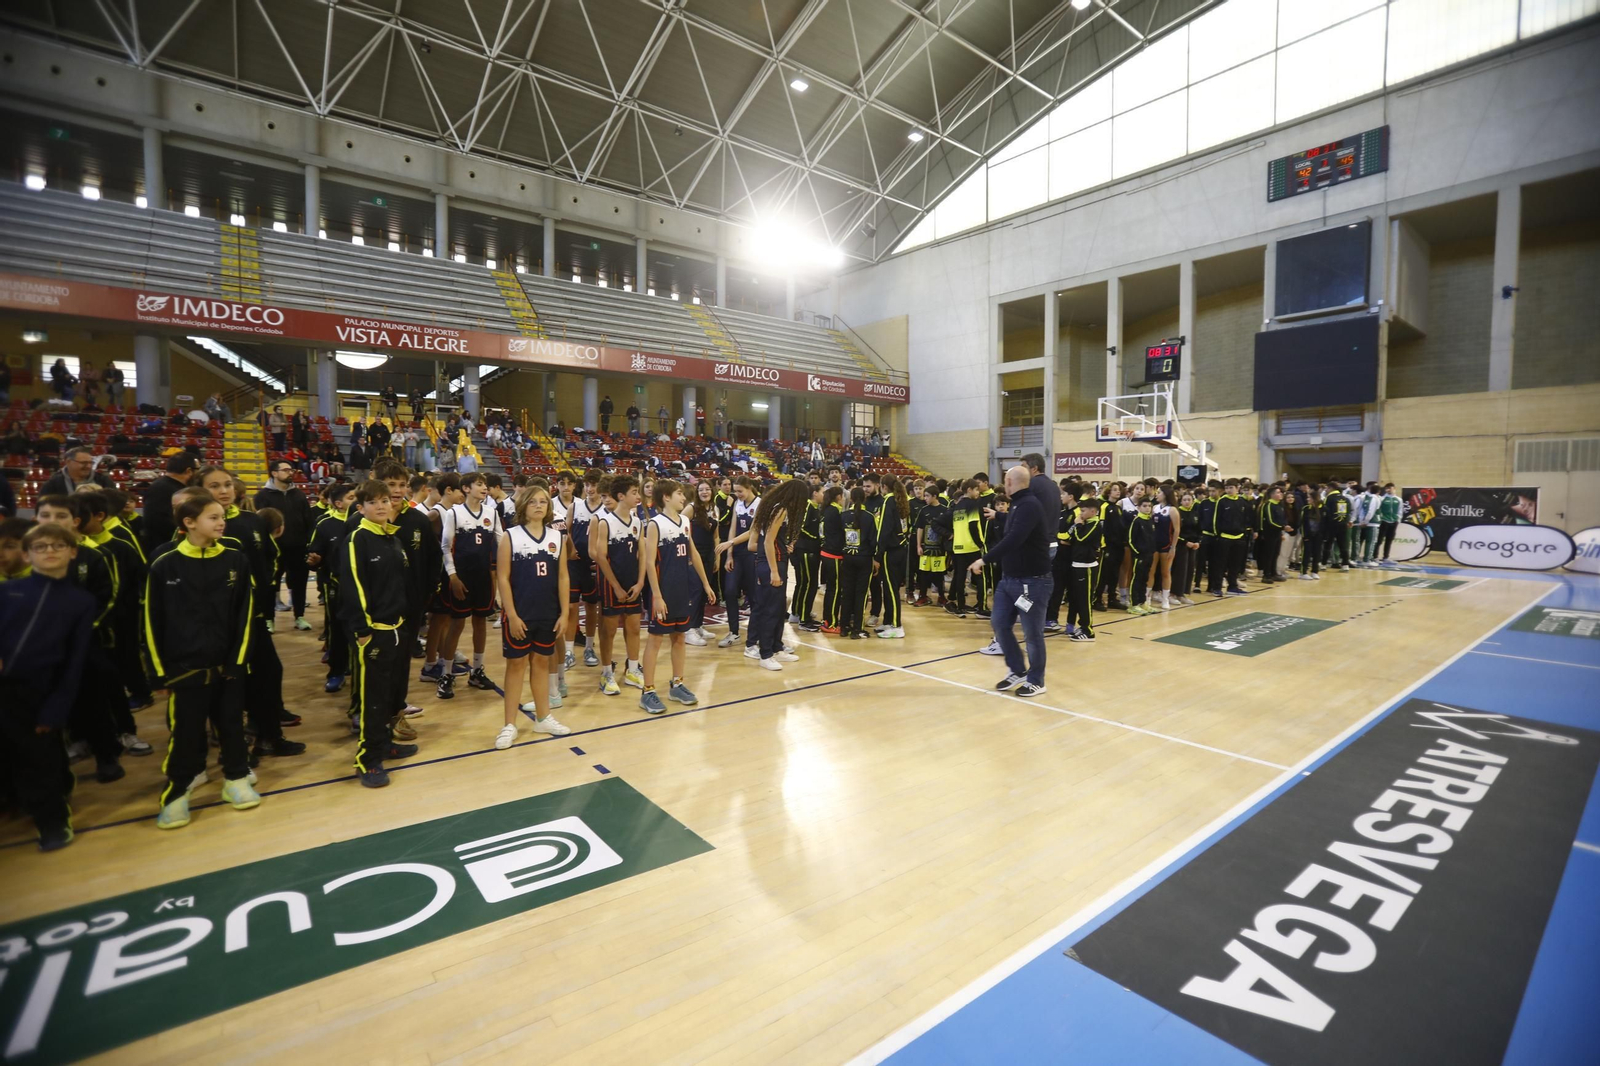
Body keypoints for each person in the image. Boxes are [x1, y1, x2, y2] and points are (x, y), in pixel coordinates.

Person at [146, 492, 258, 829]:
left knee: (232, 726)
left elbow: (245, 614)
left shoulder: (236, 560)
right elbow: (151, 621)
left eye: (222, 516)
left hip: (227, 667)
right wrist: (158, 673)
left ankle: (236, 778)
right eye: (213, 517)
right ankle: (177, 793)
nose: (221, 522)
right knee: (186, 734)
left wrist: (238, 661)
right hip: (184, 670)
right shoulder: (164, 564)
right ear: (189, 523)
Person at [0, 522, 96, 850]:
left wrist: (57, 706)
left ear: (73, 552)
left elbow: (75, 661)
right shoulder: (8, 592)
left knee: (40, 758)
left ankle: (53, 821)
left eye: (57, 545)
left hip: (41, 691)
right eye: (40, 547)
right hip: (4, 691)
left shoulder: (80, 601)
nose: (49, 551)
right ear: (27, 555)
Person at [338, 479, 417, 787]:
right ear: (361, 508)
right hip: (374, 632)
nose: (382, 505)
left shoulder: (391, 538)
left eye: (385, 500)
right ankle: (367, 759)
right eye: (373, 502)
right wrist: (363, 630)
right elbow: (353, 586)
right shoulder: (357, 539)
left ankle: (384, 743)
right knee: (372, 699)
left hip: (397, 628)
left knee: (389, 694)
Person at [494, 482, 572, 746]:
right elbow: (503, 578)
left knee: (541, 663)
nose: (539, 506)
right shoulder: (510, 536)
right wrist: (512, 615)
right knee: (516, 665)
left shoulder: (557, 537)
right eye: (533, 501)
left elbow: (563, 577)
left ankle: (543, 717)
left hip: (548, 612)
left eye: (543, 501)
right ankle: (509, 724)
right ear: (523, 506)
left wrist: (564, 613)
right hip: (520, 613)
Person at [974, 466, 1052, 698]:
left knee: (1032, 634)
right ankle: (1018, 670)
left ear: (1010, 482)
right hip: (1009, 580)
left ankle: (1036, 680)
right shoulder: (1018, 504)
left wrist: (984, 559)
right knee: (999, 623)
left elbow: (1016, 537)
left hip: (1032, 582)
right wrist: (998, 515)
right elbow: (1017, 522)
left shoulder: (1029, 505)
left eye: (1006, 481)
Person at [638, 479, 715, 711]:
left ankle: (677, 684)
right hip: (663, 591)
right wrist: (657, 596)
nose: (684, 498)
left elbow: (694, 554)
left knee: (679, 637)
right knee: (655, 640)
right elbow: (649, 562)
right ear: (666, 497)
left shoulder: (685, 521)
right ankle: (647, 691)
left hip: (682, 589)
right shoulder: (655, 524)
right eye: (679, 493)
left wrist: (706, 584)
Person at [438, 472, 502, 698]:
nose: (484, 488)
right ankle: (445, 673)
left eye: (485, 484)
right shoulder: (454, 513)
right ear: (466, 488)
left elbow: (502, 542)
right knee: (457, 624)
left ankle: (477, 671)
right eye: (479, 484)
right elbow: (445, 547)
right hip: (461, 578)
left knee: (480, 623)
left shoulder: (492, 513)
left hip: (484, 578)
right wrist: (453, 576)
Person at [592, 475, 644, 695]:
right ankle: (606, 673)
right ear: (621, 496)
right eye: (634, 492)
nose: (638, 496)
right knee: (609, 630)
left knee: (634, 628)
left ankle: (632, 669)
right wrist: (615, 586)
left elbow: (643, 554)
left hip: (632, 582)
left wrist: (640, 582)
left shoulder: (637, 522)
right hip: (611, 583)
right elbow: (600, 556)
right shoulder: (605, 522)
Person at [306, 481, 357, 692]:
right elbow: (313, 553)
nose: (356, 501)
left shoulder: (364, 522)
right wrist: (315, 560)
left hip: (362, 587)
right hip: (335, 585)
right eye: (351, 498)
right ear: (338, 503)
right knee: (337, 631)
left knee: (359, 631)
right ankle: (336, 672)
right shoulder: (324, 524)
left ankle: (356, 669)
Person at [256, 460, 316, 628]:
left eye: (291, 470)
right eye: (286, 470)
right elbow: (260, 522)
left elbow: (308, 520)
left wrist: (309, 542)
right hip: (273, 548)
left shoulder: (299, 495)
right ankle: (269, 619)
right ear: (274, 473)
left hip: (298, 547)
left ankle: (299, 617)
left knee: (299, 583)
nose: (290, 472)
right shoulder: (262, 496)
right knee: (270, 584)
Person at [716, 476, 761, 649]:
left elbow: (753, 531)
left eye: (740, 491)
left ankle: (755, 635)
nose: (737, 494)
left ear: (749, 488)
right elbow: (733, 529)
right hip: (737, 553)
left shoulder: (760, 504)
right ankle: (733, 632)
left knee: (754, 595)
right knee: (729, 591)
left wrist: (730, 543)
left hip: (752, 553)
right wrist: (729, 554)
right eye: (735, 491)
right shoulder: (737, 503)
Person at [835, 487, 877, 640]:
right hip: (864, 559)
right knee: (861, 594)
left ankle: (844, 626)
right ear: (864, 499)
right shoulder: (870, 517)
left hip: (847, 558)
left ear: (851, 499)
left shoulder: (843, 516)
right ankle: (857, 628)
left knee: (847, 592)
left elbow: (839, 538)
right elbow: (874, 541)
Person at [874, 475, 910, 638]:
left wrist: (878, 554)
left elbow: (884, 529)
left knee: (891, 590)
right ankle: (888, 621)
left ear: (883, 486)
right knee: (890, 589)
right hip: (901, 549)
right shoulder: (901, 500)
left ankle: (897, 625)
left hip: (891, 551)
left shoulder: (888, 500)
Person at [686, 480, 720, 645]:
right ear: (697, 492)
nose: (704, 492)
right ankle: (689, 629)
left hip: (708, 554)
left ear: (712, 491)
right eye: (701, 490)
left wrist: (717, 556)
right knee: (696, 590)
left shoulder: (715, 509)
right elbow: (680, 527)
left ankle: (698, 625)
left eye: (707, 489)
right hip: (694, 554)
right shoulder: (691, 508)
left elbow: (716, 536)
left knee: (704, 592)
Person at [1064, 496, 1101, 641]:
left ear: (1093, 511)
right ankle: (1082, 626)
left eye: (1083, 511)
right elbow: (1070, 538)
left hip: (1087, 567)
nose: (1080, 514)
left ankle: (1088, 630)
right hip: (1077, 564)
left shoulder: (1095, 524)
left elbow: (1081, 538)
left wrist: (1078, 525)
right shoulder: (1085, 523)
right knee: (1077, 598)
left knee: (1085, 600)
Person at [790, 481, 824, 631]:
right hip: (806, 550)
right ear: (815, 493)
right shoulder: (808, 506)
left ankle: (799, 613)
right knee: (808, 584)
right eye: (822, 492)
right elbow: (800, 527)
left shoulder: (816, 508)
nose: (824, 495)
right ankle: (803, 619)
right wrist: (816, 538)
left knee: (805, 583)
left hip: (811, 550)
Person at [913, 485, 950, 607]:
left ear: (935, 496)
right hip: (926, 549)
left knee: (939, 574)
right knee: (923, 573)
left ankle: (941, 597)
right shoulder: (923, 510)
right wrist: (918, 545)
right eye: (925, 496)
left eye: (927, 496)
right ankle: (923, 596)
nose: (925, 498)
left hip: (940, 549)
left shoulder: (945, 510)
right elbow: (920, 528)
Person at [1125, 496, 1160, 615]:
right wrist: (1138, 553)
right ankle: (1133, 604)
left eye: (1149, 506)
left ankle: (1142, 602)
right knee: (1137, 579)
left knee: (1145, 579)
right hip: (1139, 556)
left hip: (1149, 555)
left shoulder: (1150, 521)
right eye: (1144, 506)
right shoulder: (1137, 521)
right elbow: (1130, 540)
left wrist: (1152, 550)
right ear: (1139, 507)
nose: (1147, 508)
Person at [40, 446, 113, 497]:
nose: (88, 466)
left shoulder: (103, 481)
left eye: (90, 463)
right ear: (68, 462)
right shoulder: (53, 484)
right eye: (84, 463)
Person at [1376, 483, 1403, 565]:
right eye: (1387, 488)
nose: (1388, 490)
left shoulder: (1398, 499)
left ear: (1394, 488)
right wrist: (1380, 519)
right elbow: (1378, 509)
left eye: (1390, 488)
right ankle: (1375, 557)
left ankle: (1386, 557)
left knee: (1389, 540)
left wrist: (1398, 519)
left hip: (1394, 522)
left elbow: (1400, 510)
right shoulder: (1382, 499)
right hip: (1384, 521)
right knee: (1379, 540)